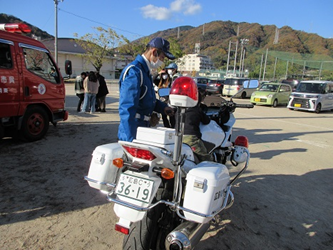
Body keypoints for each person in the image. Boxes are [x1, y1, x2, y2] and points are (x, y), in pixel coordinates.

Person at [118, 37, 175, 142]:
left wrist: (163, 108)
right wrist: (130, 140)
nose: (162, 62)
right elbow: (127, 108)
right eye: (162, 57)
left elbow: (147, 98)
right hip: (133, 128)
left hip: (143, 127)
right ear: (154, 52)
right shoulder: (134, 72)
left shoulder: (145, 72)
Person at [182, 89, 213, 162]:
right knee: (207, 160)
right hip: (191, 139)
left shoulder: (179, 108)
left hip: (177, 137)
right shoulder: (196, 110)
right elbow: (206, 121)